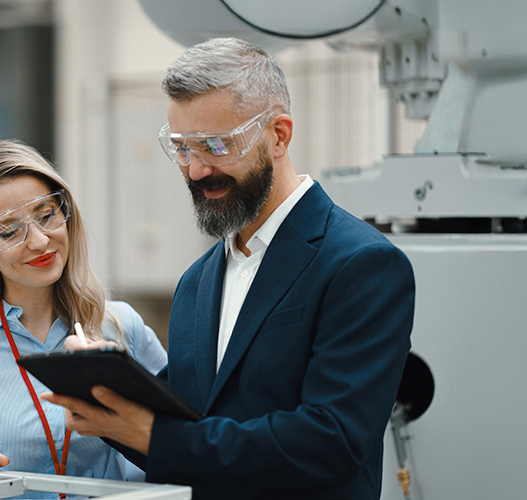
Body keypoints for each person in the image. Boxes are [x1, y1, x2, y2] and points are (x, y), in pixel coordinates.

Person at [42, 37, 416, 499]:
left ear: (278, 135)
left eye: (215, 145)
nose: (196, 170)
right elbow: (187, 431)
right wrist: (105, 398)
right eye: (181, 147)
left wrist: (156, 435)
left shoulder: (361, 263)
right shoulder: (197, 282)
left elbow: (332, 439)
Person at [0, 140, 167, 494]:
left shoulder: (120, 327)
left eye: (46, 215)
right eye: (9, 231)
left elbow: (179, 446)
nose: (40, 241)